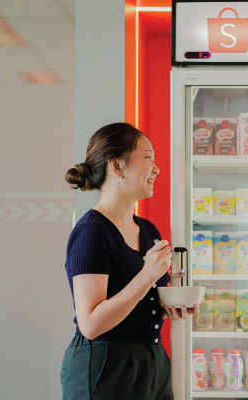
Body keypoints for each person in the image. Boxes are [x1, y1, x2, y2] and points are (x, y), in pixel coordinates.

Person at [61, 123, 198, 400]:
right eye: (148, 157)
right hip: (106, 364)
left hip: (153, 361)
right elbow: (91, 324)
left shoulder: (148, 231)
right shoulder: (92, 231)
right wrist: (147, 275)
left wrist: (164, 311)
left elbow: (133, 308)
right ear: (117, 166)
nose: (156, 168)